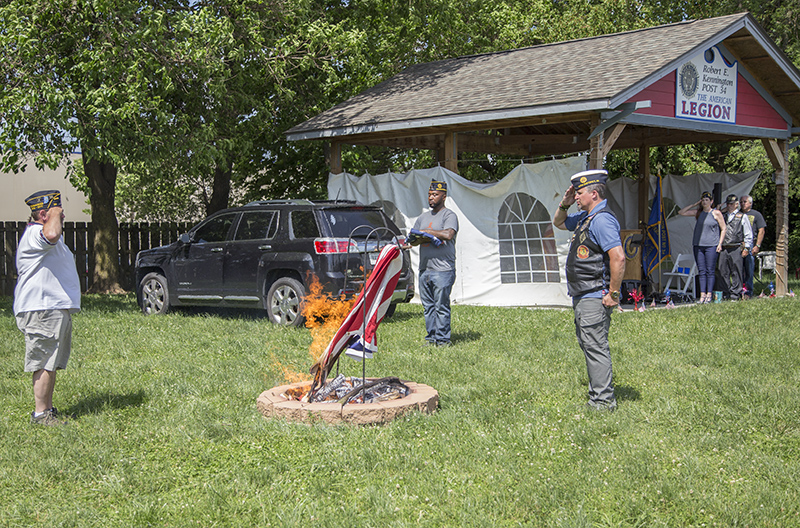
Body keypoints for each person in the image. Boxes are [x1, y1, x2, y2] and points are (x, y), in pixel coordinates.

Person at [553, 169, 625, 411]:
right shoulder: (586, 218)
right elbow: (559, 222)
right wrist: (564, 203)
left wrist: (613, 294)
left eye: (579, 193)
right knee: (589, 344)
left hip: (595, 294)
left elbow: (618, 258)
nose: (576, 197)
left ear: (594, 194)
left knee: (595, 346)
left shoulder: (602, 219)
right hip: (583, 294)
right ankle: (599, 395)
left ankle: (603, 402)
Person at [14, 190, 81, 426]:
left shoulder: (43, 236)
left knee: (50, 361)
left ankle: (48, 410)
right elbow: (51, 233)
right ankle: (41, 414)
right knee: (43, 361)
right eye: (58, 213)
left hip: (51, 308)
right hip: (41, 309)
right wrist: (53, 215)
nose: (62, 217)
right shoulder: (36, 233)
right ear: (43, 214)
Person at [409, 180, 458, 347]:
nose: (431, 198)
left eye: (435, 195)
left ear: (443, 197)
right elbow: (413, 240)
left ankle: (443, 340)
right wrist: (414, 239)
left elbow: (449, 234)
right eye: (429, 194)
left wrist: (429, 232)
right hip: (425, 269)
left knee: (441, 306)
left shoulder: (449, 215)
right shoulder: (423, 217)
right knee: (428, 307)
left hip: (443, 270)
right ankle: (431, 338)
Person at [678, 191, 727, 303]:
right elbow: (681, 212)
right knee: (701, 270)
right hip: (698, 245)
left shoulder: (716, 213)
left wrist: (720, 243)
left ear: (711, 201)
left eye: (707, 200)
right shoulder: (698, 212)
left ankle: (709, 294)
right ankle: (702, 295)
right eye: (703, 200)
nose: (705, 202)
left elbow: (723, 228)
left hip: (711, 245)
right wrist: (695, 204)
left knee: (710, 270)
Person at [717, 194, 752, 301]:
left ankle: (735, 294)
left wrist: (747, 248)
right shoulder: (722, 216)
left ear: (737, 204)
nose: (730, 206)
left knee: (736, 271)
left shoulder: (742, 216)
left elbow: (748, 234)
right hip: (724, 247)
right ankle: (725, 293)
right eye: (728, 204)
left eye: (732, 204)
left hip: (736, 246)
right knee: (723, 271)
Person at [740, 195, 766, 298]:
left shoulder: (756, 214)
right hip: (739, 243)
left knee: (749, 269)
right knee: (738, 269)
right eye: (741, 202)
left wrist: (757, 245)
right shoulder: (737, 214)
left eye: (745, 202)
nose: (742, 204)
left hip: (750, 244)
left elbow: (761, 230)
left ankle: (748, 292)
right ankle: (739, 291)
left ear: (750, 203)